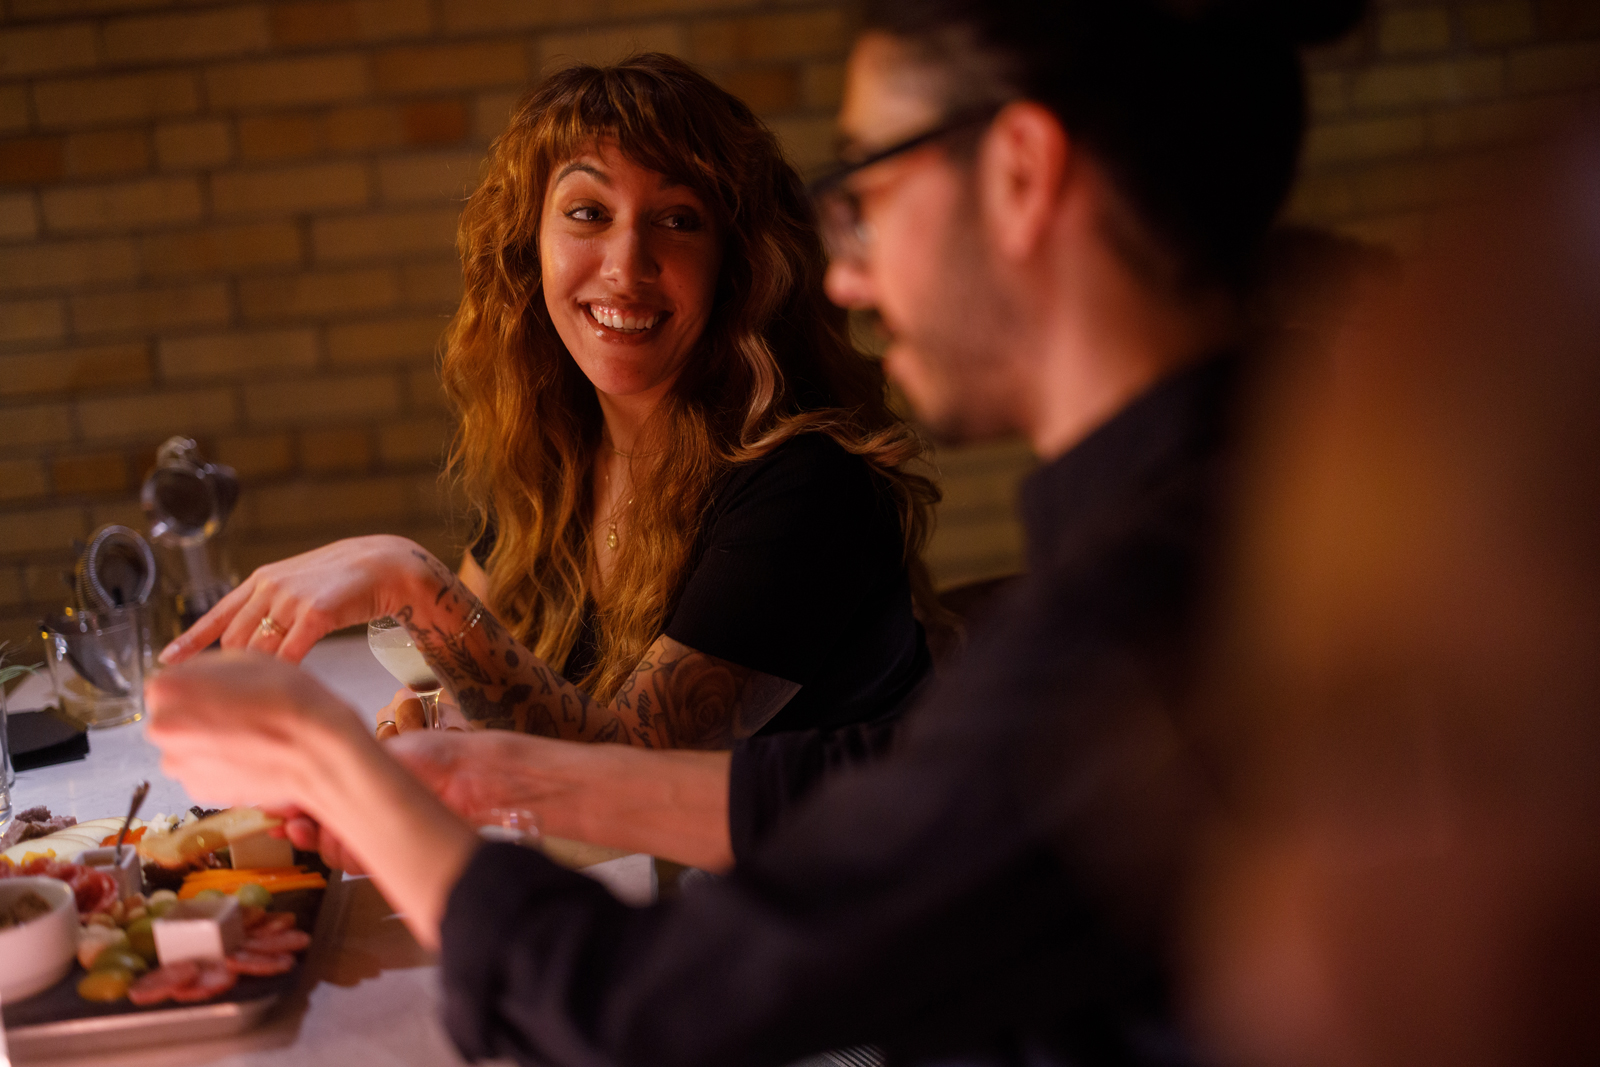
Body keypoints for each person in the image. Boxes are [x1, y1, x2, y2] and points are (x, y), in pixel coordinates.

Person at [145, 1, 1366, 1064]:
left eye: (866, 192)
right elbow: (867, 786)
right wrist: (472, 771)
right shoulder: (1190, 519)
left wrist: (336, 759)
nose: (847, 276)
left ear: (1020, 175)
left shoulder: (1144, 607)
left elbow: (628, 1014)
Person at [159, 53, 940, 751]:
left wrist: (405, 578)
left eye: (677, 220)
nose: (627, 265)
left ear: (735, 269)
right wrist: (425, 715)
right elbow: (460, 678)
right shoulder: (558, 456)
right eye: (588, 214)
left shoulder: (803, 485)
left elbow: (626, 775)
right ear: (530, 249)